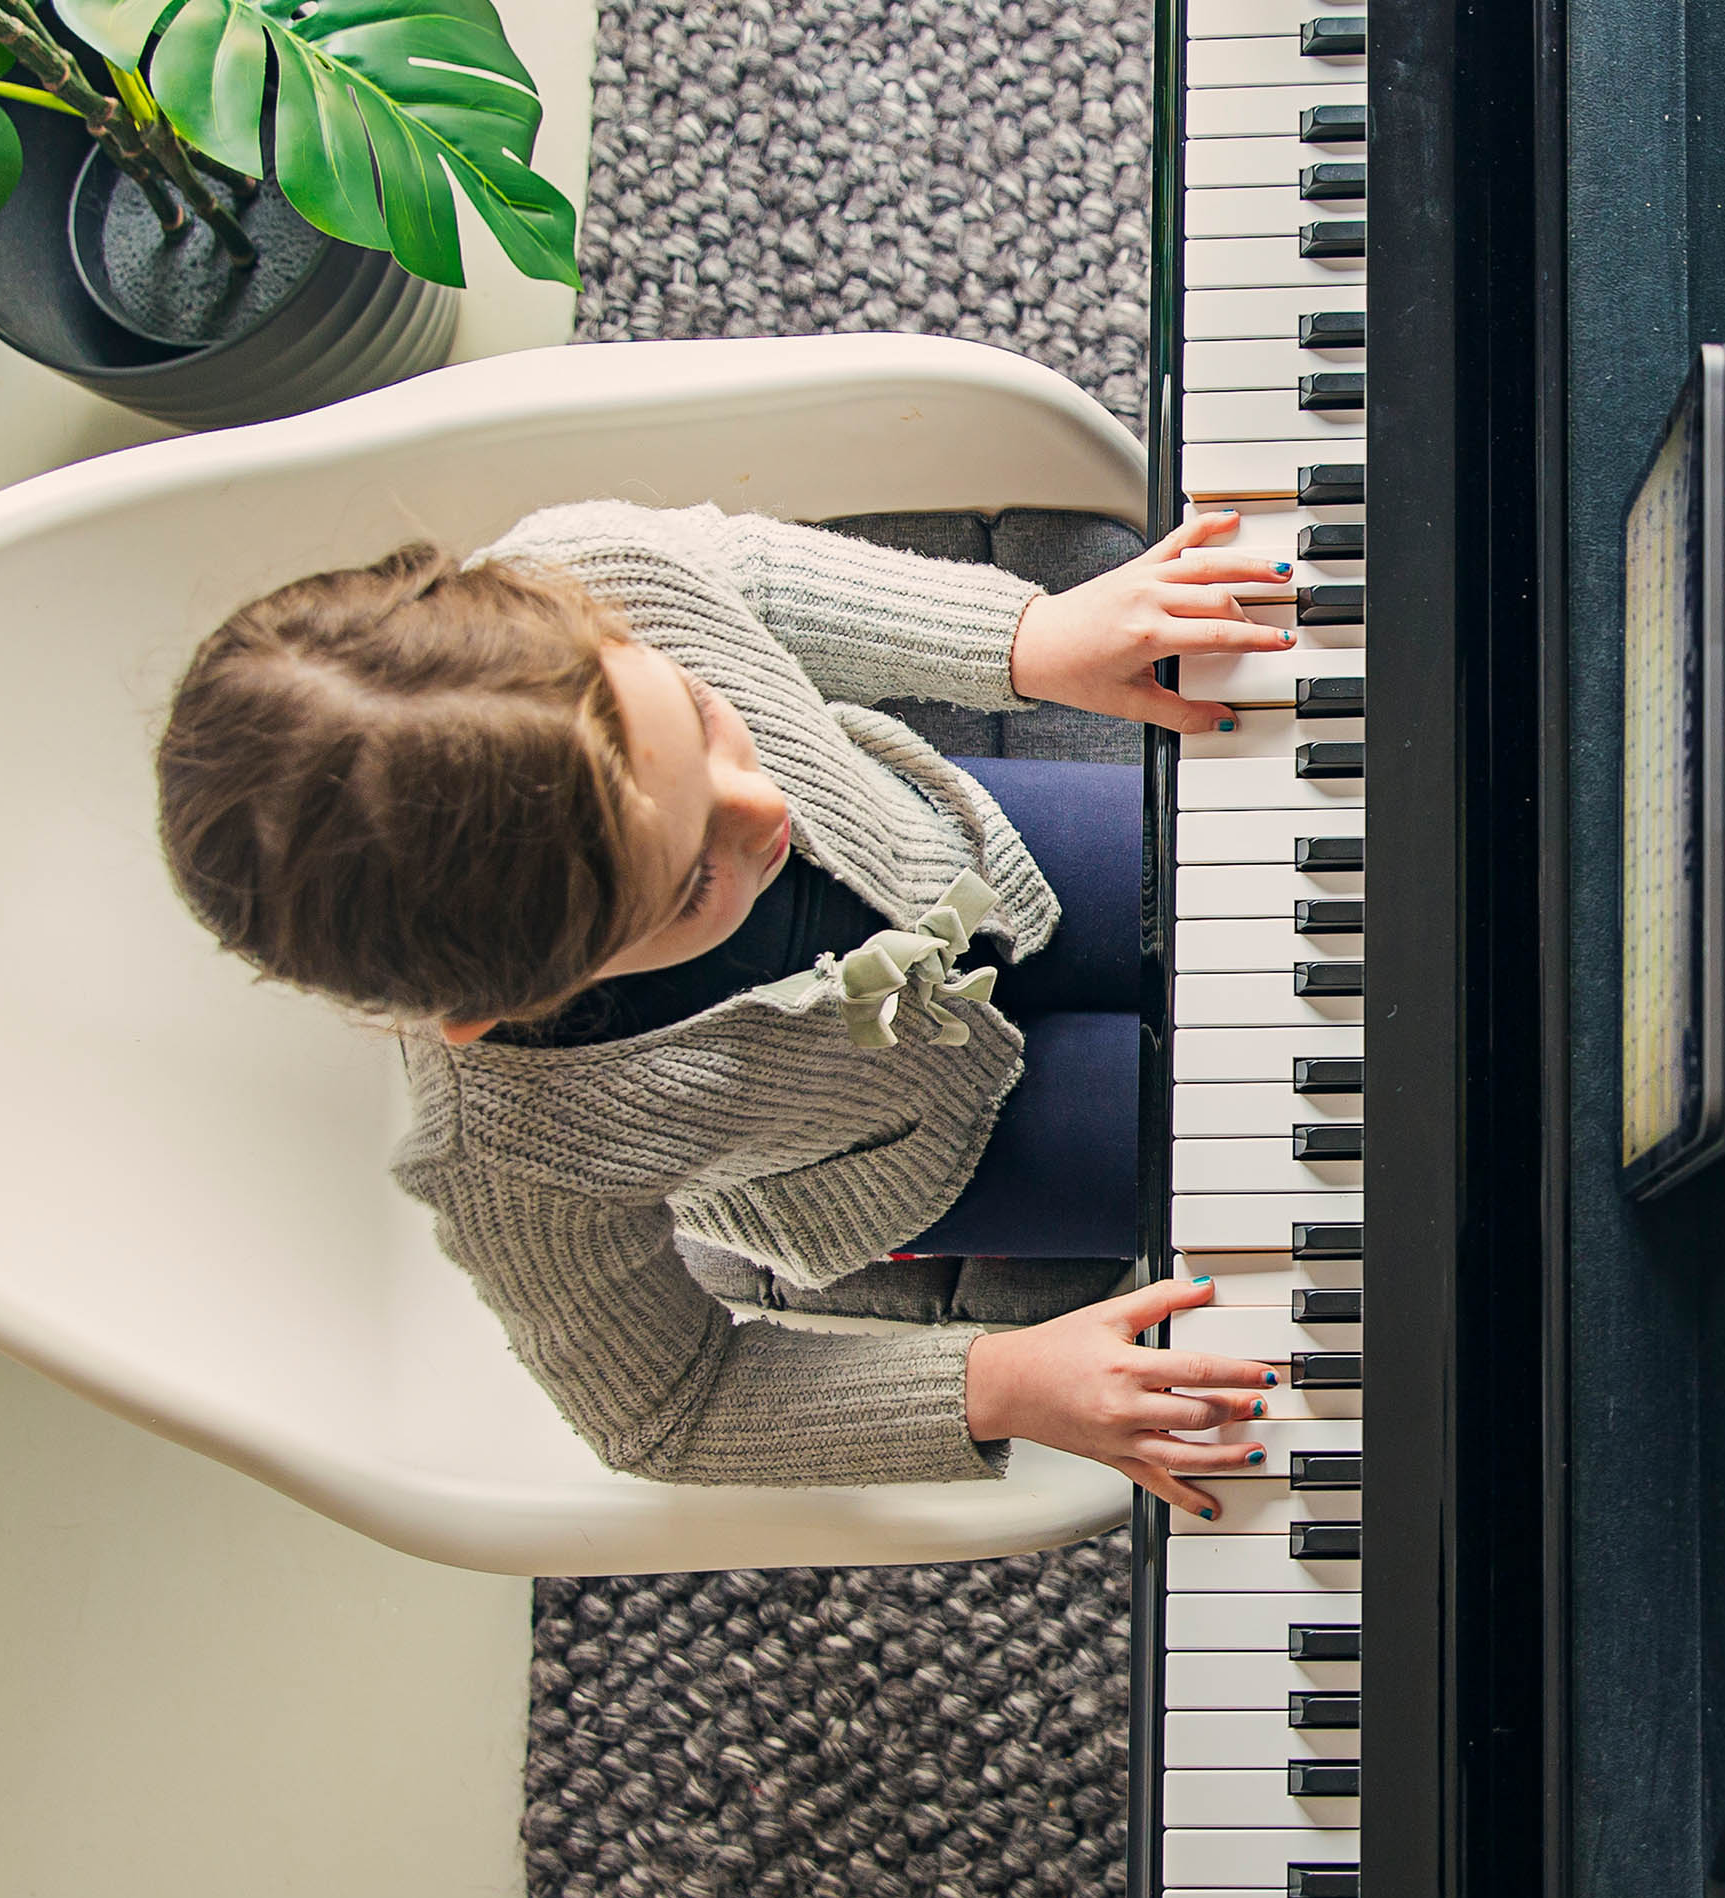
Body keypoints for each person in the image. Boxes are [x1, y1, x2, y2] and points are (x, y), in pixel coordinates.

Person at [153, 496, 1288, 1520]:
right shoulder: (514, 1159)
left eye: (701, 719)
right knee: (1281, 1141)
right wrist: (999, 1384)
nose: (762, 807)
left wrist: (1023, 639)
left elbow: (759, 581)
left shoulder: (591, 570)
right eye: (691, 877)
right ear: (504, 1005)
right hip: (934, 1148)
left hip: (963, 843)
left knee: (1295, 884)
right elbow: (666, 1409)